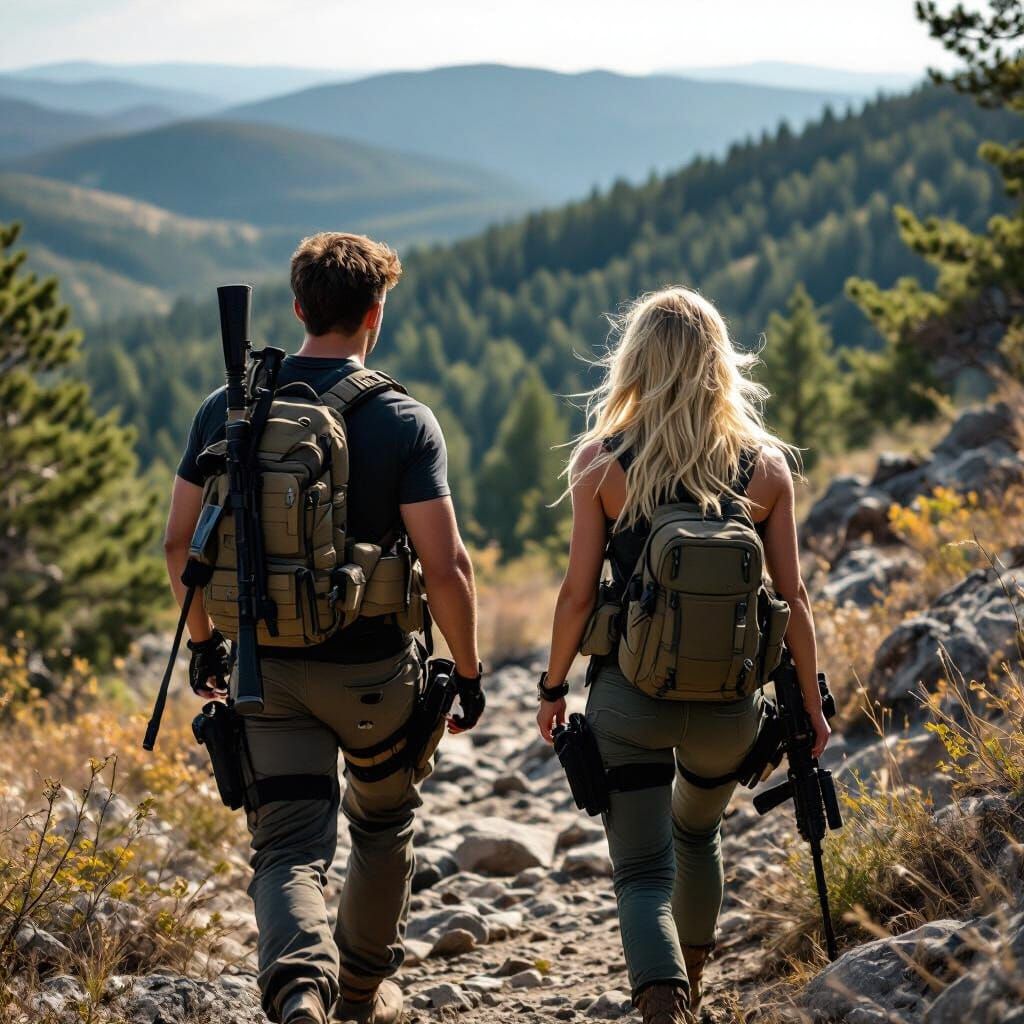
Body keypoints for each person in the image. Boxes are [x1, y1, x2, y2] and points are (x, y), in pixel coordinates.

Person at [163, 232, 484, 1024]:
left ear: (299, 307)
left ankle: (301, 987)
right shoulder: (404, 419)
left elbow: (180, 543)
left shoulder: (229, 406)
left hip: (262, 672)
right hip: (374, 673)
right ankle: (362, 996)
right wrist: (469, 673)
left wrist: (205, 640)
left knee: (288, 846)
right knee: (382, 824)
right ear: (375, 314)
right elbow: (447, 569)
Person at [536, 287, 830, 1024]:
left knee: (640, 871)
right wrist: (812, 705)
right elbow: (791, 600)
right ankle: (692, 986)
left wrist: (551, 689)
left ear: (635, 362)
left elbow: (576, 596)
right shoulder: (765, 469)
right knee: (697, 834)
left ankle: (660, 999)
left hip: (628, 703)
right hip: (729, 710)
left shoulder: (602, 463)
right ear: (719, 364)